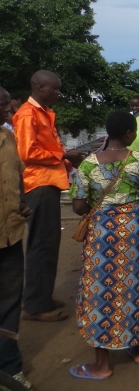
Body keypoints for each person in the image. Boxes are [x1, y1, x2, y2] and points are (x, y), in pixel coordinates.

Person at [69, 111, 139, 380]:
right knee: (132, 286)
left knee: (100, 291)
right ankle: (138, 350)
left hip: (100, 235)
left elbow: (77, 206)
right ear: (130, 134)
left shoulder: (87, 165)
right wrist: (131, 207)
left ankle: (102, 365)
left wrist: (104, 211)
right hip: (132, 233)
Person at [13, 70, 87, 322]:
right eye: (54, 89)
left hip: (50, 182)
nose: (58, 93)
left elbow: (48, 147)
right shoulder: (27, 114)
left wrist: (66, 158)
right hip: (39, 184)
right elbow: (27, 152)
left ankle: (40, 296)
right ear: (40, 87)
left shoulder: (42, 113)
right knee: (41, 244)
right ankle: (36, 304)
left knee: (48, 242)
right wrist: (64, 157)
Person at [0, 87, 33, 390]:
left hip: (10, 233)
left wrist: (21, 201)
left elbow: (17, 173)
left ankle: (10, 366)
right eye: (2, 107)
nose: (8, 112)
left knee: (10, 301)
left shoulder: (8, 137)